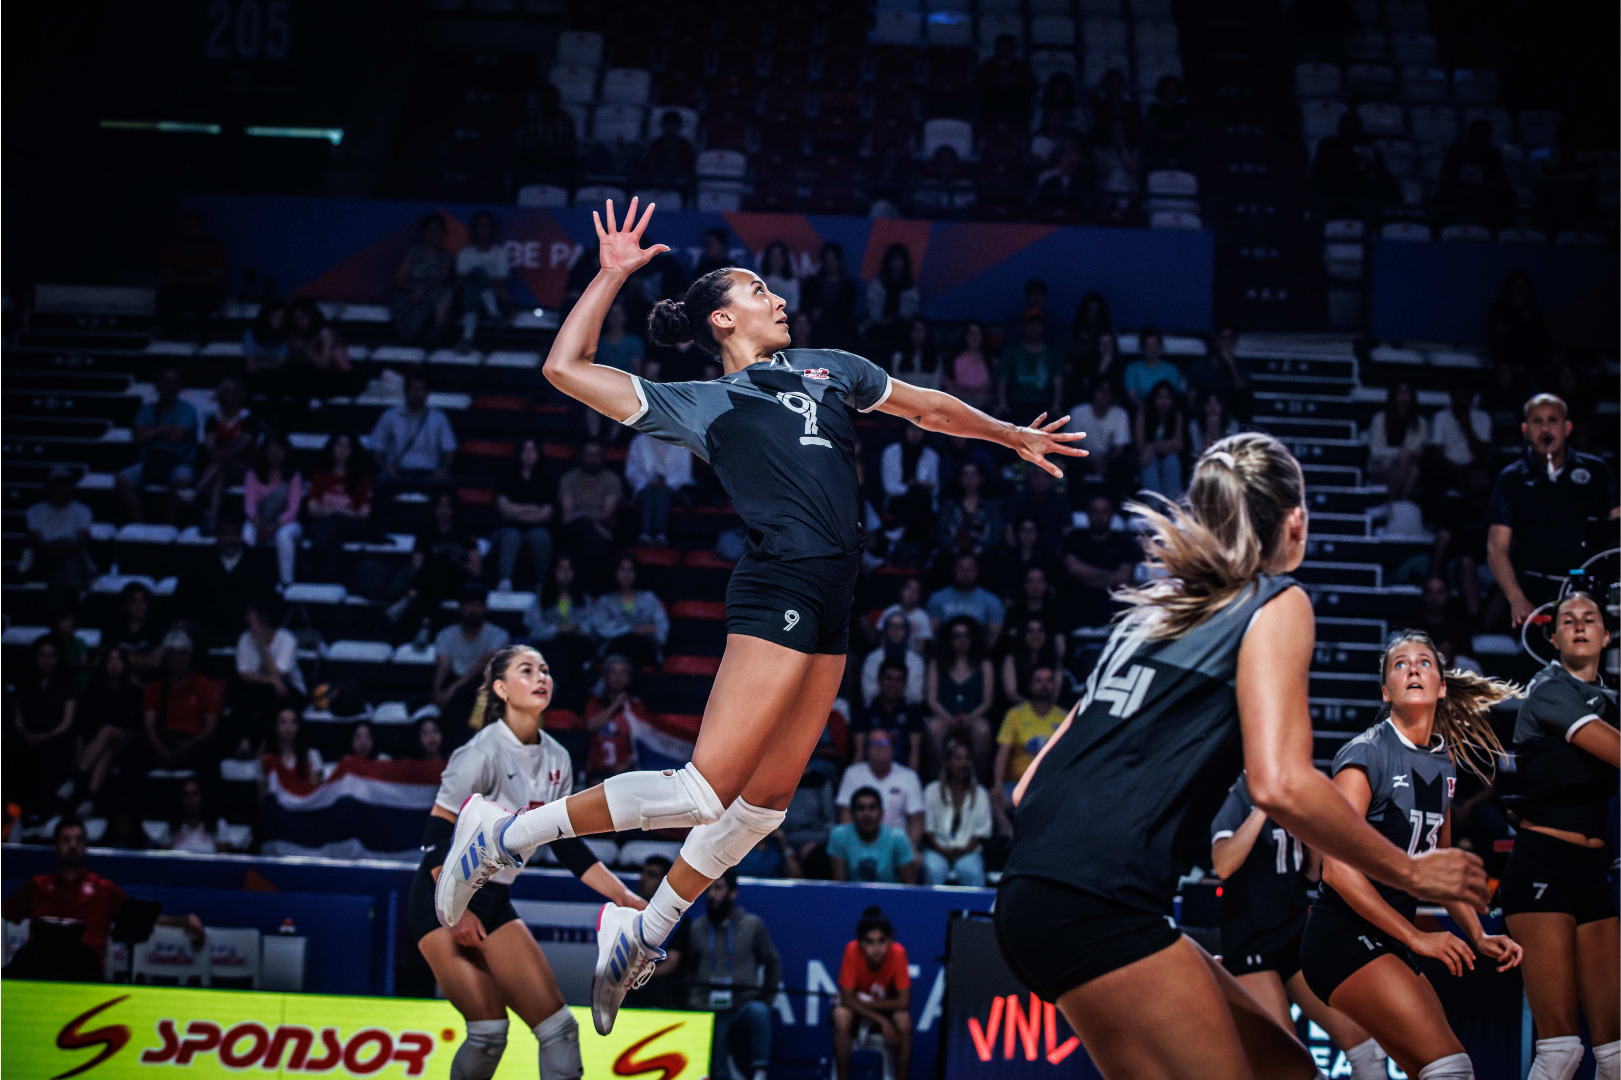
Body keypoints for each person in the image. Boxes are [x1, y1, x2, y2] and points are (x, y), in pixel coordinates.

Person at [434, 198, 1080, 1037]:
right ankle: (503, 833)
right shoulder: (701, 402)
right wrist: (611, 275)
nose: (777, 298)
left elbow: (926, 407)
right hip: (779, 579)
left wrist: (1007, 434)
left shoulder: (831, 368)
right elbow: (564, 367)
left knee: (765, 805)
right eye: (757, 290)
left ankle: (642, 929)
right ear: (721, 318)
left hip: (836, 592)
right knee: (703, 791)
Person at [995, 433, 1493, 1080]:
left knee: (1286, 1070)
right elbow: (1279, 784)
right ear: (1296, 521)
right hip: (1100, 900)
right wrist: (1410, 873)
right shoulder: (1275, 602)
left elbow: (1025, 787)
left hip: (1034, 890)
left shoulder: (1146, 615)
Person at [409, 645, 644, 1080]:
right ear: (501, 689)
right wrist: (454, 910)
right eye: (527, 670)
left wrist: (624, 896)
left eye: (545, 670)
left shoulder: (558, 758)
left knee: (561, 1031)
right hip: (440, 898)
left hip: (495, 899)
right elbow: (436, 836)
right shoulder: (479, 752)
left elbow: (567, 845)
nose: (541, 677)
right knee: (489, 1032)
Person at [1298, 632, 1522, 1080]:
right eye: (1400, 664)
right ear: (1386, 691)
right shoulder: (1366, 753)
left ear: (1441, 686)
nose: (1413, 669)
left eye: (1424, 662)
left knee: (1441, 1068)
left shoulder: (1443, 762)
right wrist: (1417, 937)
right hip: (1342, 935)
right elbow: (1336, 871)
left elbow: (1443, 865)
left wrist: (1478, 934)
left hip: (1389, 937)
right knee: (1450, 1067)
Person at [1500, 592, 1619, 1080]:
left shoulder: (1611, 699)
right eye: (1568, 620)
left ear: (1607, 636)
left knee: (1616, 1056)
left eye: (1590, 618)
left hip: (1595, 871)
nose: (1580, 625)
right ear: (1552, 639)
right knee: (1561, 1050)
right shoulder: (1549, 688)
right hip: (1543, 863)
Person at [1211, 774, 1388, 1080]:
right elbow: (1223, 865)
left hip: (1293, 929)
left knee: (1367, 1048)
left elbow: (1311, 873)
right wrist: (1263, 807)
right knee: (1286, 1061)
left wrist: (1312, 828)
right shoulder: (1237, 793)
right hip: (1251, 938)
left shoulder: (1295, 791)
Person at [3, 818, 204, 982]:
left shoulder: (103, 889)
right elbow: (5, 912)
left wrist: (184, 921)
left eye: (78, 840)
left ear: (85, 846)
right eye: (66, 840)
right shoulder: (37, 885)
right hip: (41, 962)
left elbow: (139, 918)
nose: (73, 845)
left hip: (82, 965)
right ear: (55, 847)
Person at [1487, 394, 1619, 627]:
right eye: (1537, 422)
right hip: (1534, 594)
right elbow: (1497, 548)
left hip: (1591, 592)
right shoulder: (1511, 479)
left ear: (1567, 428)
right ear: (1525, 430)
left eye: (1552, 420)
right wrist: (1516, 598)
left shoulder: (1597, 472)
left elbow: (1617, 531)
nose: (1545, 429)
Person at [684, 870, 780, 1080]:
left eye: (718, 888)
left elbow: (772, 962)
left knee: (760, 1012)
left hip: (742, 1001)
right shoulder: (698, 927)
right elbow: (690, 967)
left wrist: (767, 998)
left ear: (733, 893)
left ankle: (760, 1073)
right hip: (707, 1004)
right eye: (708, 889)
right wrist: (694, 996)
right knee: (716, 1059)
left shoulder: (752, 925)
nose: (711, 895)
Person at [832, 907, 912, 1080]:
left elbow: (903, 1002)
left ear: (890, 940)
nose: (877, 948)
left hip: (880, 1007)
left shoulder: (898, 952)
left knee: (904, 1021)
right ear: (860, 943)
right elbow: (847, 999)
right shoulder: (851, 950)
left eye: (882, 941)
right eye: (869, 942)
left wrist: (870, 1006)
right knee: (841, 1015)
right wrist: (881, 1020)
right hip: (858, 1011)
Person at [368, 374, 458, 524]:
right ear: (406, 392)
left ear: (427, 393)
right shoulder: (390, 416)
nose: (418, 393)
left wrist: (443, 469)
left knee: (447, 484)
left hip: (429, 474)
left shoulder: (439, 418)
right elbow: (376, 449)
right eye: (414, 389)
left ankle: (439, 532)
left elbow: (450, 451)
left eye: (422, 389)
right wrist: (385, 467)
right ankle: (379, 531)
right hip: (397, 473)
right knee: (380, 481)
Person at [116, 367, 199, 523]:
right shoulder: (146, 410)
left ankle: (167, 525)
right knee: (123, 478)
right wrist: (165, 428)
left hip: (179, 462)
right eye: (165, 382)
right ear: (157, 385)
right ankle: (139, 523)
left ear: (179, 386)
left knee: (183, 481)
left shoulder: (187, 409)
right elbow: (138, 437)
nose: (169, 386)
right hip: (151, 462)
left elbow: (177, 437)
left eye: (173, 382)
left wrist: (152, 432)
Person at [8, 637, 78, 814]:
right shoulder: (24, 684)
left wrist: (45, 736)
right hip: (27, 735)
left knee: (50, 754)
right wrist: (25, 733)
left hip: (56, 736)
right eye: (43, 655)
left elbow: (67, 722)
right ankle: (14, 812)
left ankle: (42, 811)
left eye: (52, 655)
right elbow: (18, 717)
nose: (47, 660)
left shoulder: (67, 685)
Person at [991, 665, 1065, 832]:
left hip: (1049, 786)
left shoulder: (1064, 717)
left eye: (1049, 680)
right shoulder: (1015, 715)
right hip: (1016, 785)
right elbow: (1002, 753)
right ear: (1030, 686)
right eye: (1038, 681)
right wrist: (997, 785)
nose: (1044, 685)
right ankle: (1009, 839)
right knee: (993, 799)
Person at [74, 648, 145, 811]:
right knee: (106, 752)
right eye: (110, 660)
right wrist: (80, 749)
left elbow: (138, 727)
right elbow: (81, 725)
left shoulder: (134, 692)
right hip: (100, 744)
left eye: (118, 660)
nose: (114, 664)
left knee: (108, 730)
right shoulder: (93, 691)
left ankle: (76, 777)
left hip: (128, 741)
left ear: (125, 664)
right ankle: (90, 798)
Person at [142, 630, 223, 771]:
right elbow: (149, 725)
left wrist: (189, 744)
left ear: (190, 656)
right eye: (172, 653)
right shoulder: (154, 688)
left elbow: (211, 726)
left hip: (195, 742)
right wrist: (160, 749)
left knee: (209, 756)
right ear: (165, 657)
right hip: (164, 739)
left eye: (182, 653)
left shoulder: (205, 685)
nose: (177, 658)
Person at [433, 591, 512, 734]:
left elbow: (483, 664)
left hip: (483, 684)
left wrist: (452, 689)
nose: (473, 610)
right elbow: (443, 665)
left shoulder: (499, 634)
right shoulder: (445, 634)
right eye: (469, 605)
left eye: (478, 605)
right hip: (453, 682)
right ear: (460, 608)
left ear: (485, 609)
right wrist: (438, 691)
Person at [926, 615, 995, 774]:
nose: (961, 640)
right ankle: (941, 777)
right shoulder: (937, 664)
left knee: (983, 730)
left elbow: (987, 702)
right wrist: (949, 719)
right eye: (957, 636)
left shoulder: (984, 665)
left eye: (966, 635)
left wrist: (968, 718)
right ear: (950, 639)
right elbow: (932, 700)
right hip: (945, 716)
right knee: (933, 728)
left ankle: (976, 779)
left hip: (973, 716)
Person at [1062, 494, 1139, 630]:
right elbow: (1073, 569)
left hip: (1112, 610)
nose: (1100, 517)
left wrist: (1086, 578)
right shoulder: (1074, 539)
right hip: (1078, 608)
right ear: (1088, 514)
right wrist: (1111, 577)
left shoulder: (1125, 543)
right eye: (1095, 511)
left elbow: (1123, 581)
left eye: (1104, 512)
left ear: (1111, 515)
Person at [921, 739, 992, 886]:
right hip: (936, 850)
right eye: (958, 758)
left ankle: (973, 904)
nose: (963, 763)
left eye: (967, 758)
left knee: (972, 871)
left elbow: (980, 833)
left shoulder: (981, 793)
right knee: (934, 869)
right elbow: (928, 830)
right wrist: (943, 851)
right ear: (947, 762)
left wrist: (963, 851)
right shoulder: (931, 790)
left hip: (969, 851)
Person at [303, 434, 372, 583]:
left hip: (350, 525)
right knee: (333, 531)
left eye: (347, 446)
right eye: (339, 445)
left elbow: (365, 512)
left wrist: (341, 513)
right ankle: (328, 578)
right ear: (332, 447)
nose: (342, 449)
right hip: (324, 525)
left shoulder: (360, 477)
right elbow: (311, 508)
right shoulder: (320, 476)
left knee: (335, 522)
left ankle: (314, 570)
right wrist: (333, 512)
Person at [837, 729, 925, 845]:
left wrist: (909, 848)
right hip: (860, 844)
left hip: (897, 845)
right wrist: (852, 847)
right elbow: (845, 815)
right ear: (867, 750)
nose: (880, 747)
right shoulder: (852, 773)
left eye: (884, 743)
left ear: (893, 749)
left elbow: (917, 821)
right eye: (874, 743)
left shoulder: (909, 776)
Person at [581, 554, 669, 668]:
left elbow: (661, 625)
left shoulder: (649, 598)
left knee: (635, 646)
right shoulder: (605, 600)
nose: (626, 574)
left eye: (630, 570)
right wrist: (631, 630)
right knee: (624, 646)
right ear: (615, 572)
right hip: (614, 646)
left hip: (645, 647)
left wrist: (652, 631)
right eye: (622, 569)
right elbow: (600, 628)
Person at [492, 438, 556, 592]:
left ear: (538, 454)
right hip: (507, 528)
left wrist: (516, 511)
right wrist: (532, 508)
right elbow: (504, 510)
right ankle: (504, 582)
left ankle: (543, 584)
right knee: (511, 536)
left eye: (533, 450)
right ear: (519, 453)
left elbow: (546, 514)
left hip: (536, 528)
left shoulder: (545, 480)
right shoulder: (507, 477)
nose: (529, 454)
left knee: (542, 537)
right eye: (525, 450)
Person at [21, 466, 95, 595]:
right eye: (57, 484)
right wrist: (55, 548)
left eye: (65, 484)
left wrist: (64, 547)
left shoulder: (83, 510)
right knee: (57, 566)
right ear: (49, 487)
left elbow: (81, 540)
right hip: (43, 559)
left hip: (72, 557)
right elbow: (36, 540)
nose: (61, 489)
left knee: (69, 563)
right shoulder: (34, 511)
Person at [244, 431, 305, 587]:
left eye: (279, 449)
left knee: (284, 536)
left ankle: (286, 582)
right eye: (271, 449)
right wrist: (258, 525)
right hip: (259, 521)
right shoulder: (253, 474)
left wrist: (275, 526)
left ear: (286, 451)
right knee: (247, 534)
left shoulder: (294, 476)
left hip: (286, 523)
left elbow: (293, 509)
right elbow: (250, 506)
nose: (275, 453)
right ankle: (245, 579)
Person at [556, 441, 624, 576]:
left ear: (603, 457)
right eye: (589, 455)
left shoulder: (612, 480)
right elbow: (568, 516)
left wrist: (580, 514)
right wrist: (591, 523)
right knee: (585, 530)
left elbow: (607, 514)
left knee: (589, 538)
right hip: (574, 533)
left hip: (604, 533)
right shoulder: (568, 479)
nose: (593, 459)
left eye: (597, 455)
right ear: (581, 456)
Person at [156, 210, 226, 336]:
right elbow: (166, 271)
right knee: (165, 295)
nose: (191, 230)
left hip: (203, 291)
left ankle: (201, 334)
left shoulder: (212, 245)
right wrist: (184, 282)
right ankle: (163, 331)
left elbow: (215, 275)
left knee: (207, 296)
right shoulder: (173, 245)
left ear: (202, 228)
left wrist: (195, 282)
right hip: (180, 290)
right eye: (188, 226)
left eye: (195, 226)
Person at [829, 788, 917, 885]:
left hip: (888, 894)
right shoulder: (839, 835)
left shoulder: (898, 837)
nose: (867, 814)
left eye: (872, 808)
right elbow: (839, 885)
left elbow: (909, 885)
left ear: (882, 813)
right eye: (861, 808)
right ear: (852, 814)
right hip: (851, 894)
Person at [580, 655, 646, 784]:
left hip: (628, 771)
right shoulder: (594, 703)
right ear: (605, 676)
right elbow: (591, 727)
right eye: (613, 672)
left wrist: (627, 765)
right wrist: (616, 704)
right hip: (598, 772)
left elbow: (643, 742)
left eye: (623, 672)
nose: (618, 677)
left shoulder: (636, 706)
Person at [392, 212, 455, 344]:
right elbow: (399, 280)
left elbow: (441, 279)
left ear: (442, 233)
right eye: (429, 229)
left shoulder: (446, 257)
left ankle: (436, 334)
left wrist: (423, 288)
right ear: (423, 232)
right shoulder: (413, 252)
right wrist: (414, 289)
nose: (433, 234)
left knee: (446, 294)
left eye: (436, 230)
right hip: (410, 295)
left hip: (432, 294)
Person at [625, 429, 693, 546]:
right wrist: (647, 482)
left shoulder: (681, 442)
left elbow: (684, 474)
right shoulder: (639, 441)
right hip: (646, 487)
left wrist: (666, 483)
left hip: (674, 491)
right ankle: (645, 534)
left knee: (662, 492)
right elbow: (632, 471)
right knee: (649, 492)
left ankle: (660, 534)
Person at [856, 659, 926, 770]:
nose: (893, 684)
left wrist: (911, 777)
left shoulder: (913, 711)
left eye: (899, 680)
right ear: (879, 680)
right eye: (889, 679)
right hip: (870, 772)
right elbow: (859, 752)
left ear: (905, 683)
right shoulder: (865, 710)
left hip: (902, 772)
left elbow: (915, 752)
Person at [1367, 381, 1427, 508]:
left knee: (1413, 470)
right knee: (1404, 461)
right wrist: (1398, 454)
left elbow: (1417, 449)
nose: (1404, 396)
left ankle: (1400, 505)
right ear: (1393, 395)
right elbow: (1375, 451)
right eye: (1400, 392)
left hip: (1407, 465)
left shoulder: (1420, 422)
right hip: (1382, 465)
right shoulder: (1379, 419)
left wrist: (1405, 455)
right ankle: (1392, 504)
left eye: (1407, 392)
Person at [456, 211, 510, 349]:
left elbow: (502, 280)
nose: (483, 230)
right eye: (480, 225)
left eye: (486, 226)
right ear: (474, 229)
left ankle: (467, 337)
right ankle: (494, 314)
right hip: (466, 303)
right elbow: (461, 280)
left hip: (498, 299)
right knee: (474, 280)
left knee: (474, 281)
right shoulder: (465, 253)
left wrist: (479, 280)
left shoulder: (500, 253)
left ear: (493, 229)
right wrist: (481, 279)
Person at [997, 309, 1063, 421]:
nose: (1034, 328)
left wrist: (1056, 405)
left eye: (1037, 324)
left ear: (1043, 327)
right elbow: (1003, 379)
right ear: (1023, 327)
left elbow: (1058, 381)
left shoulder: (1052, 354)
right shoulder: (1011, 353)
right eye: (1030, 324)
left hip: (1043, 406)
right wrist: (1002, 403)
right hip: (1017, 404)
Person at [926, 553, 1006, 645]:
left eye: (970, 569)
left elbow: (993, 638)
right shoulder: (937, 598)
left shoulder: (992, 601)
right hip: (945, 650)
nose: (965, 573)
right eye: (961, 569)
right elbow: (933, 634)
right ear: (953, 570)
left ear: (977, 571)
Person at [1067, 380, 1133, 490]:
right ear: (1093, 392)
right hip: (1083, 460)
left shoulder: (1121, 414)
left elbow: (1119, 449)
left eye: (1108, 391)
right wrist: (1092, 461)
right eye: (1101, 390)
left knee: (1122, 468)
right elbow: (1075, 445)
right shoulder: (1077, 412)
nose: (1104, 395)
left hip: (1109, 461)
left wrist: (1104, 461)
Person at [801, 242, 859, 351]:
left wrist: (825, 312)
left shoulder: (848, 286)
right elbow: (807, 305)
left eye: (833, 259)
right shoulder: (812, 283)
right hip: (817, 326)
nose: (830, 262)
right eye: (827, 259)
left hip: (840, 326)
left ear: (839, 261)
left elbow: (847, 310)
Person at [1135, 381, 1187, 499]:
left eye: (1167, 397)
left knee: (1172, 461)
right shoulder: (1143, 413)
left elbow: (1178, 444)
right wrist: (1161, 447)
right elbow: (1140, 444)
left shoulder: (1176, 414)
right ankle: (1154, 505)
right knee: (1148, 462)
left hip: (1167, 455)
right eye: (1159, 397)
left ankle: (1173, 504)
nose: (1163, 401)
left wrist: (1152, 447)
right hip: (1147, 456)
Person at [860, 615, 925, 706]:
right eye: (892, 626)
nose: (896, 631)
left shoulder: (916, 661)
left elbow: (916, 696)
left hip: (908, 709)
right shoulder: (872, 658)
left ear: (906, 631)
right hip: (877, 708)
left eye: (900, 627)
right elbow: (868, 693)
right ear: (885, 630)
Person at [1427, 386, 1491, 476]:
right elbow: (1437, 452)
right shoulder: (1440, 417)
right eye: (1460, 397)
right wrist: (1456, 470)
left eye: (1466, 397)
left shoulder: (1483, 417)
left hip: (1474, 468)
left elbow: (1482, 454)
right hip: (1447, 468)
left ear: (1471, 398)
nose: (1463, 402)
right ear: (1452, 397)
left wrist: (1467, 428)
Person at [975, 34, 1037, 127]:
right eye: (1002, 47)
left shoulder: (1022, 69)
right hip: (990, 116)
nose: (1005, 51)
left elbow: (1031, 91)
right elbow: (977, 91)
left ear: (1013, 49)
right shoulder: (986, 67)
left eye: (1008, 47)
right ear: (997, 48)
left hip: (1016, 116)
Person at [1121, 327, 1184, 405]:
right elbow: (1132, 396)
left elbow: (1172, 396)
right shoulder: (1132, 369)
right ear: (1142, 348)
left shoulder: (1172, 370)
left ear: (1160, 347)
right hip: (1139, 408)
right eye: (1148, 345)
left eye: (1154, 345)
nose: (1151, 349)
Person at [942, 320, 995, 411]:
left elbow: (995, 389)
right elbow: (948, 389)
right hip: (961, 406)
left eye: (977, 334)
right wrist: (969, 397)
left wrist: (987, 397)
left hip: (985, 408)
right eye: (971, 334)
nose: (974, 337)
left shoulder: (991, 361)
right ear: (965, 336)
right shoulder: (955, 360)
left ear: (982, 336)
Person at [876, 576, 933, 654]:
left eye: (916, 591)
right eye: (908, 588)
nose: (911, 594)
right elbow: (882, 639)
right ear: (901, 591)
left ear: (919, 596)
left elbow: (920, 648)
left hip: (910, 655)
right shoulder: (890, 611)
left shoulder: (922, 617)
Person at [757, 241, 800, 317]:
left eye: (779, 256)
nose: (776, 259)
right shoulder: (759, 281)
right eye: (773, 256)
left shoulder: (792, 283)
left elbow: (793, 309)